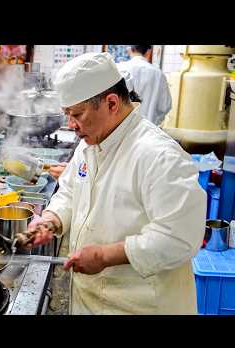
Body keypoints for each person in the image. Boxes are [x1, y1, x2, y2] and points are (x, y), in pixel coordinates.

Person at [24, 52, 206, 315]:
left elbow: (180, 237)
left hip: (140, 306)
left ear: (111, 103)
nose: (70, 125)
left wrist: (104, 256)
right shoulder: (91, 142)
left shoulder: (158, 155)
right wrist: (51, 220)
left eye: (77, 114)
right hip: (90, 301)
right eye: (67, 114)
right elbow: (71, 191)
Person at [117, 45, 172, 126]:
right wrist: (155, 121)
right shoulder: (158, 74)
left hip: (120, 130)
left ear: (129, 50)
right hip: (148, 130)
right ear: (149, 51)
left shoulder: (119, 68)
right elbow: (165, 106)